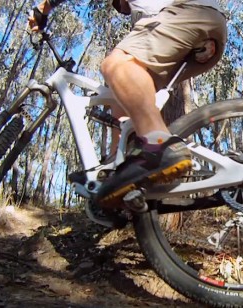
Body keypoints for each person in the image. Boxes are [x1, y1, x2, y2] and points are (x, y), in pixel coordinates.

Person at [28, 0, 227, 206]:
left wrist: (45, 7)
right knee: (123, 93)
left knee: (116, 65)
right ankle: (117, 172)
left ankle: (160, 143)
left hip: (191, 14)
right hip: (208, 29)